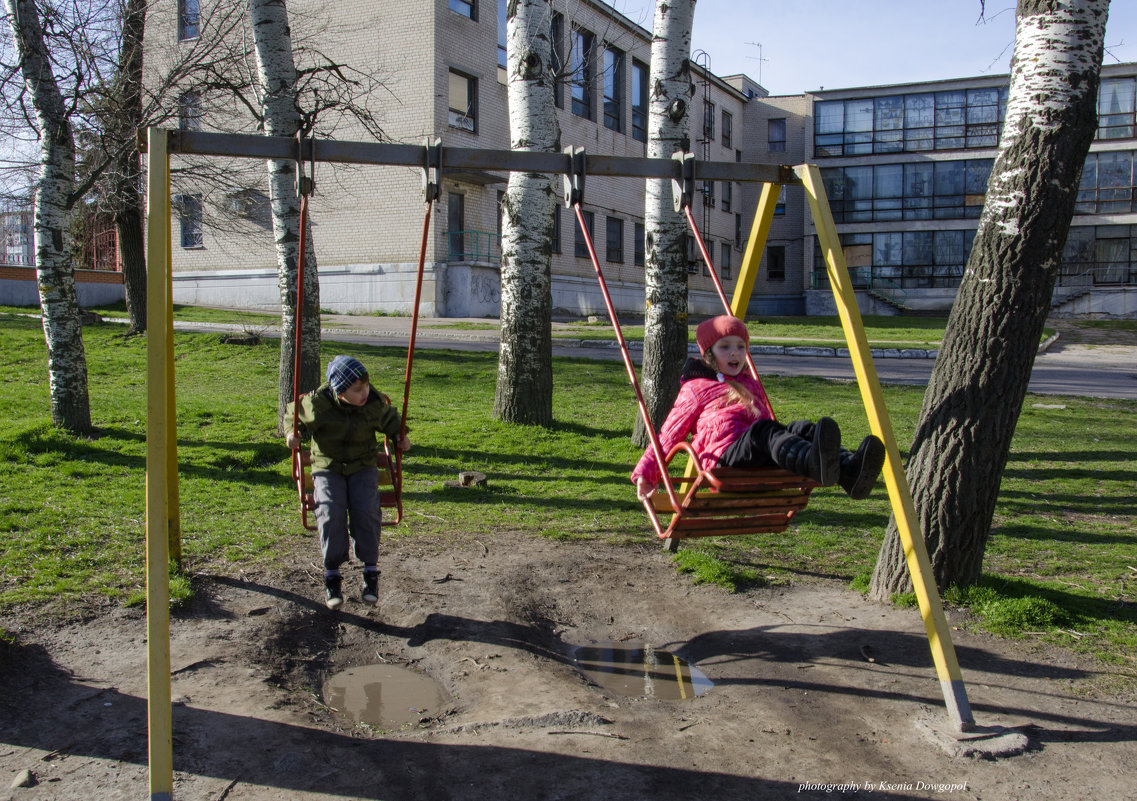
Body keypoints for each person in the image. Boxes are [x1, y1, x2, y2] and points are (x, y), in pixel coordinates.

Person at [632, 315, 885, 503]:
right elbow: (669, 433)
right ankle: (814, 464)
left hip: (753, 458)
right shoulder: (696, 387)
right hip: (723, 460)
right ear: (709, 354)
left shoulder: (749, 384)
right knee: (763, 431)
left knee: (802, 428)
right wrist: (647, 472)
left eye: (741, 347)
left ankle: (849, 472)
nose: (735, 354)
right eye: (725, 347)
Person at [287, 355, 411, 610]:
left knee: (365, 509)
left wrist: (401, 437)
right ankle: (332, 574)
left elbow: (391, 421)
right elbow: (293, 412)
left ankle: (370, 571)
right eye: (357, 389)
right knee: (330, 511)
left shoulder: (372, 404)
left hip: (362, 465)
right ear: (340, 391)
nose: (364, 392)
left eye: (365, 386)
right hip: (328, 466)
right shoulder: (318, 404)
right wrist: (291, 432)